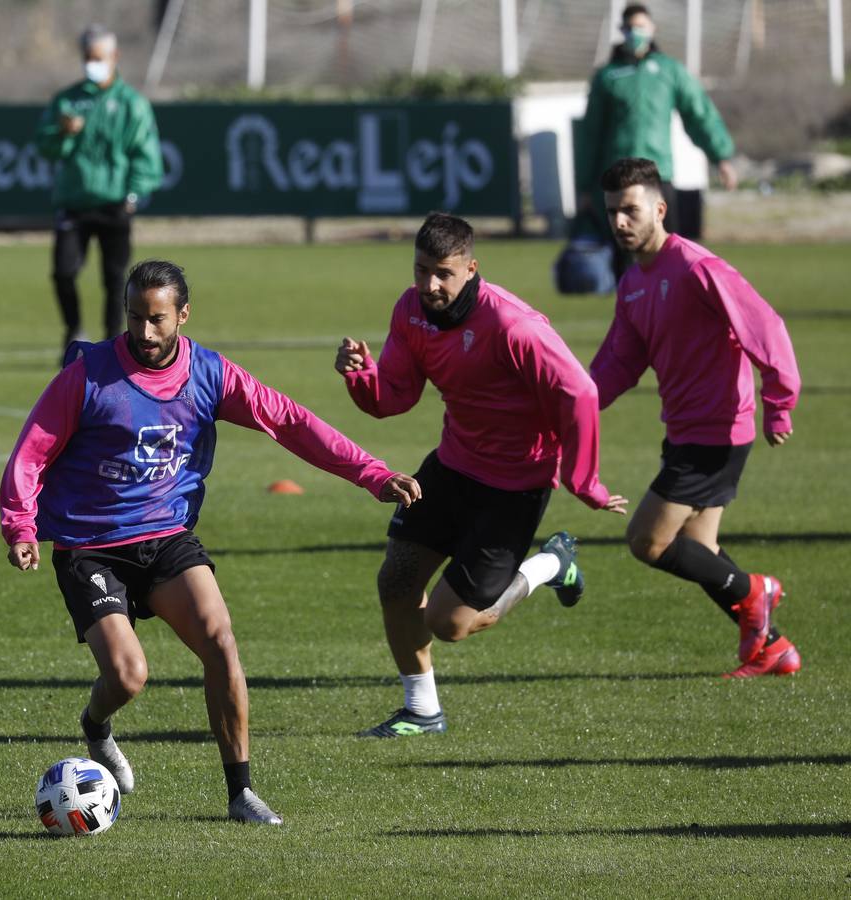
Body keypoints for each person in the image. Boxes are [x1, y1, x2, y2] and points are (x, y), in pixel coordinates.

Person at [0, 259, 421, 825]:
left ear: (183, 315)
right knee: (128, 676)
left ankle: (240, 794)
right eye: (133, 318)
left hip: (167, 536)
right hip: (90, 544)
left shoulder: (209, 374)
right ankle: (96, 725)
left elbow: (290, 422)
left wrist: (372, 474)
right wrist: (21, 526)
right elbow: (32, 451)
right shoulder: (88, 375)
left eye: (156, 320)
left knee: (221, 643)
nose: (144, 333)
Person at [335, 213, 627, 739]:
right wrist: (362, 379)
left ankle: (551, 563)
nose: (429, 285)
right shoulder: (411, 310)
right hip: (453, 463)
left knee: (450, 623)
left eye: (443, 273)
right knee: (396, 580)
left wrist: (585, 482)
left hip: (516, 484)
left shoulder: (514, 326)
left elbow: (579, 394)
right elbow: (395, 397)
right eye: (421, 270)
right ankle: (421, 710)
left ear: (472, 268)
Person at [591, 158, 802, 678]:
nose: (620, 222)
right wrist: (570, 410)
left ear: (660, 209)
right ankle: (772, 649)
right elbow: (618, 363)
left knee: (647, 541)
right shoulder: (634, 284)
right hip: (685, 430)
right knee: (696, 548)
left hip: (717, 432)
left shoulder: (698, 268)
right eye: (613, 212)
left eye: (631, 210)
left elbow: (765, 327)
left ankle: (757, 589)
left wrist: (779, 402)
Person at [576, 4, 737, 272]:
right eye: (629, 27)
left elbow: (699, 114)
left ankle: (670, 309)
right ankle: (630, 310)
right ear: (621, 31)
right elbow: (590, 135)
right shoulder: (607, 77)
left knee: (668, 253)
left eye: (641, 26)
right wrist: (584, 185)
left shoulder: (668, 71)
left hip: (657, 174)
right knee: (625, 255)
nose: (635, 33)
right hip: (617, 178)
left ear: (653, 29)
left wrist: (721, 156)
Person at [35, 24, 164, 353]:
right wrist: (64, 134)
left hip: (114, 203)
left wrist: (133, 194)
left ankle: (112, 344)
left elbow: (145, 156)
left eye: (98, 57)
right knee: (63, 272)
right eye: (87, 57)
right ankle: (73, 329)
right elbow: (45, 147)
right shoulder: (68, 101)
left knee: (115, 279)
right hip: (75, 202)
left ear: (114, 57)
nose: (92, 63)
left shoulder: (131, 104)